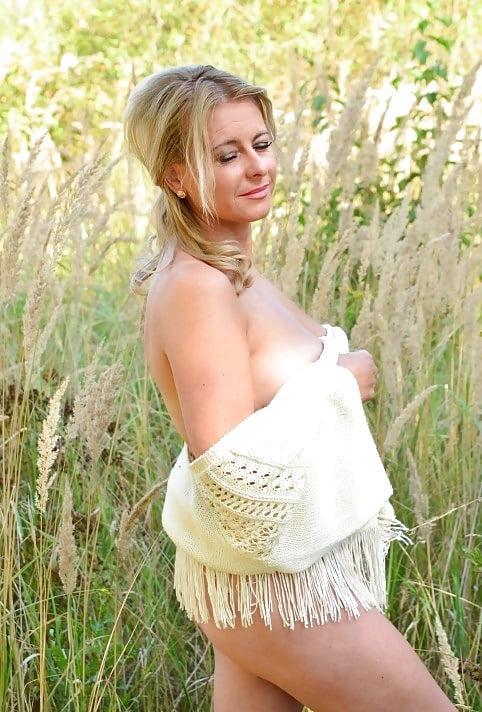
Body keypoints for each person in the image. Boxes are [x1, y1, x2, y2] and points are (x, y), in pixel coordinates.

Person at [124, 64, 456, 712]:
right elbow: (225, 467)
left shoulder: (231, 267)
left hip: (267, 577)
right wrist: (338, 383)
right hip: (277, 588)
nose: (258, 167)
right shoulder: (198, 287)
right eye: (227, 155)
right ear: (176, 177)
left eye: (261, 144)